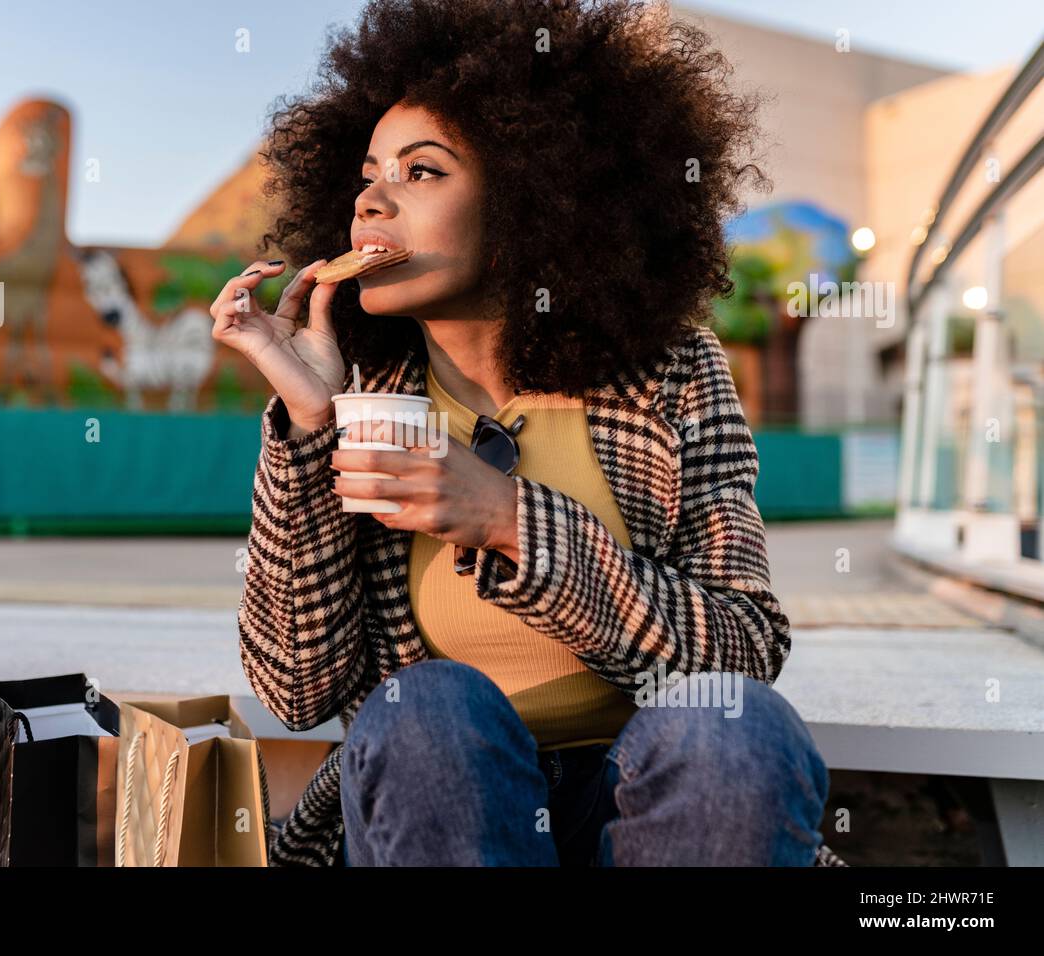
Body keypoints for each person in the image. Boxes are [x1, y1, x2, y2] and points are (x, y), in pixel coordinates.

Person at [211, 0, 843, 867]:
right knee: (424, 709)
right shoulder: (371, 399)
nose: (371, 200)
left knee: (734, 730)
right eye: (367, 175)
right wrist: (310, 421)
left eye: (422, 172)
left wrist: (513, 520)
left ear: (529, 200)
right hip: (445, 807)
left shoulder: (673, 373)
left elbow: (741, 646)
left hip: (647, 800)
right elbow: (297, 686)